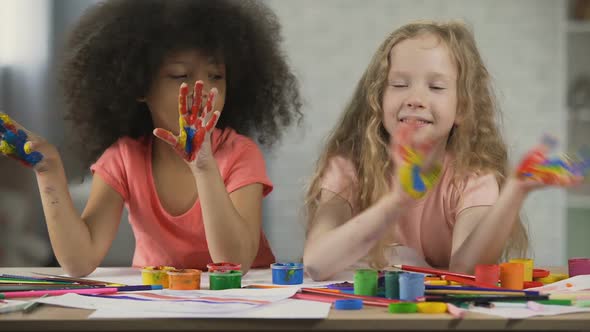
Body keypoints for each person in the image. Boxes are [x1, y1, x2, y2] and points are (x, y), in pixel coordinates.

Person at [0, 0, 301, 277]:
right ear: (140, 86)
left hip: (245, 304)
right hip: (157, 304)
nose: (203, 88)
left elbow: (234, 264)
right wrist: (48, 169)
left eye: (216, 76)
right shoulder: (124, 158)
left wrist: (204, 166)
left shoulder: (240, 153)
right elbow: (79, 262)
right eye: (181, 75)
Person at [303, 20, 567, 281]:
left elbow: (465, 271)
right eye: (399, 84)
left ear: (462, 107)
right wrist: (396, 201)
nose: (415, 99)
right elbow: (316, 263)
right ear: (377, 99)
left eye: (436, 87)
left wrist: (515, 191)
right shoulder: (349, 168)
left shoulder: (472, 177)